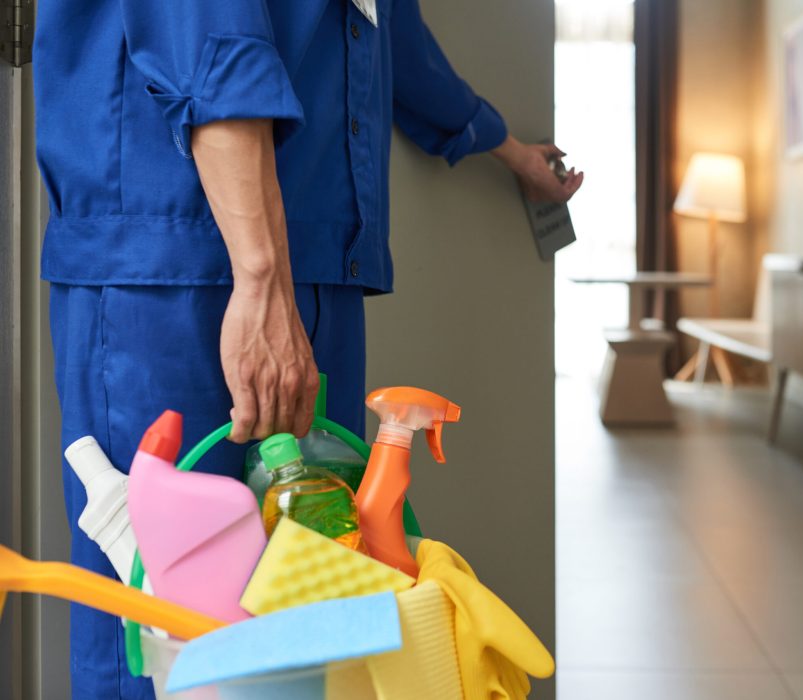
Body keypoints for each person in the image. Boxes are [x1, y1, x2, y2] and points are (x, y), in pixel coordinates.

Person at [33, 0, 582, 698]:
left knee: (308, 619)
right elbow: (209, 34)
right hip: (176, 268)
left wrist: (504, 147)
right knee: (161, 628)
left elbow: (388, 33)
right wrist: (259, 278)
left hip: (315, 266)